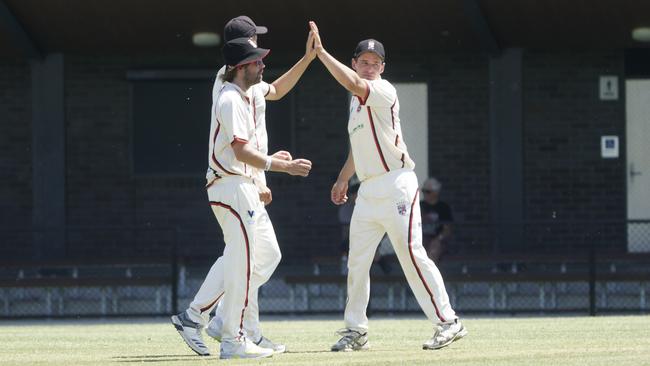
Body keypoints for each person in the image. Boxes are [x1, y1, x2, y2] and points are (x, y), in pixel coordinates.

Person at [308, 21, 467, 352]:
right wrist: (342, 178)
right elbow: (359, 146)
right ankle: (356, 331)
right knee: (357, 261)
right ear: (355, 62)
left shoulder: (383, 90)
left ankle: (448, 321)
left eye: (374, 63)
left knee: (410, 252)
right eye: (363, 62)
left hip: (397, 183)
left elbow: (352, 83)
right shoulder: (354, 101)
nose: (368, 68)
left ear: (382, 68)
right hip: (367, 190)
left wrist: (320, 54)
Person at [171, 16, 317, 358]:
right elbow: (239, 148)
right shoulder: (230, 92)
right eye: (256, 48)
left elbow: (277, 90)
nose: (262, 58)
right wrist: (278, 166)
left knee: (262, 256)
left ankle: (223, 323)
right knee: (242, 261)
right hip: (232, 184)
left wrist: (309, 58)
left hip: (245, 181)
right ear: (243, 52)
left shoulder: (247, 84)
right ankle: (216, 325)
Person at [420, 177, 454, 263]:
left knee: (434, 248)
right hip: (421, 238)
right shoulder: (419, 205)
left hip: (437, 240)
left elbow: (447, 228)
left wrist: (438, 239)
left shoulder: (443, 207)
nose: (425, 194)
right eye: (423, 191)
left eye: (428, 191)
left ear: (436, 193)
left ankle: (428, 274)